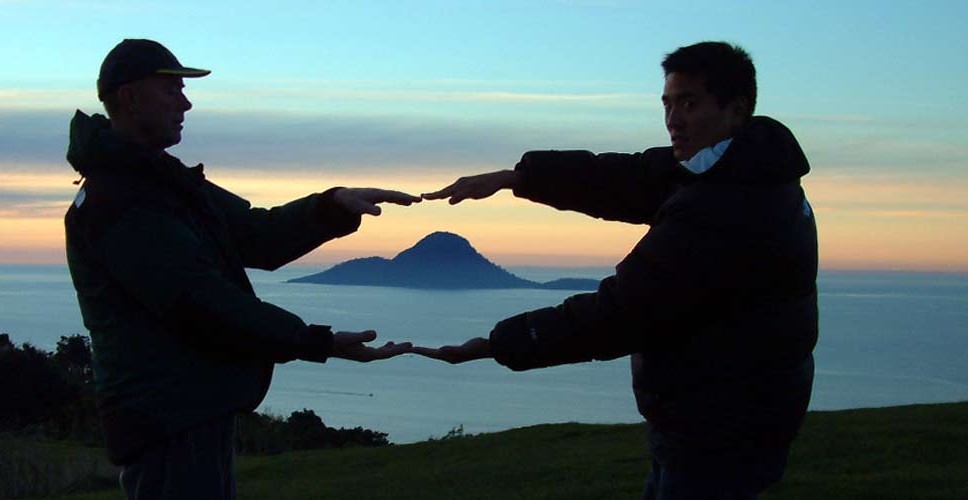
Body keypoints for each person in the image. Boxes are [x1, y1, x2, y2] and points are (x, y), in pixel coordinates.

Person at [416, 41, 818, 499]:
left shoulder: (722, 206)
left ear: (736, 110)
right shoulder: (747, 169)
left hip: (719, 430)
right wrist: (517, 178)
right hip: (731, 415)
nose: (673, 118)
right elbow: (625, 177)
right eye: (667, 103)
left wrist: (496, 344)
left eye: (690, 103)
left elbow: (621, 312)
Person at [65, 39, 417, 500]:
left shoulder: (163, 182)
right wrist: (316, 341)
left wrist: (332, 207)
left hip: (190, 411)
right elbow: (201, 303)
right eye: (172, 90)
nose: (186, 102)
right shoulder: (122, 200)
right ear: (130, 98)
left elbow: (257, 233)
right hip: (167, 418)